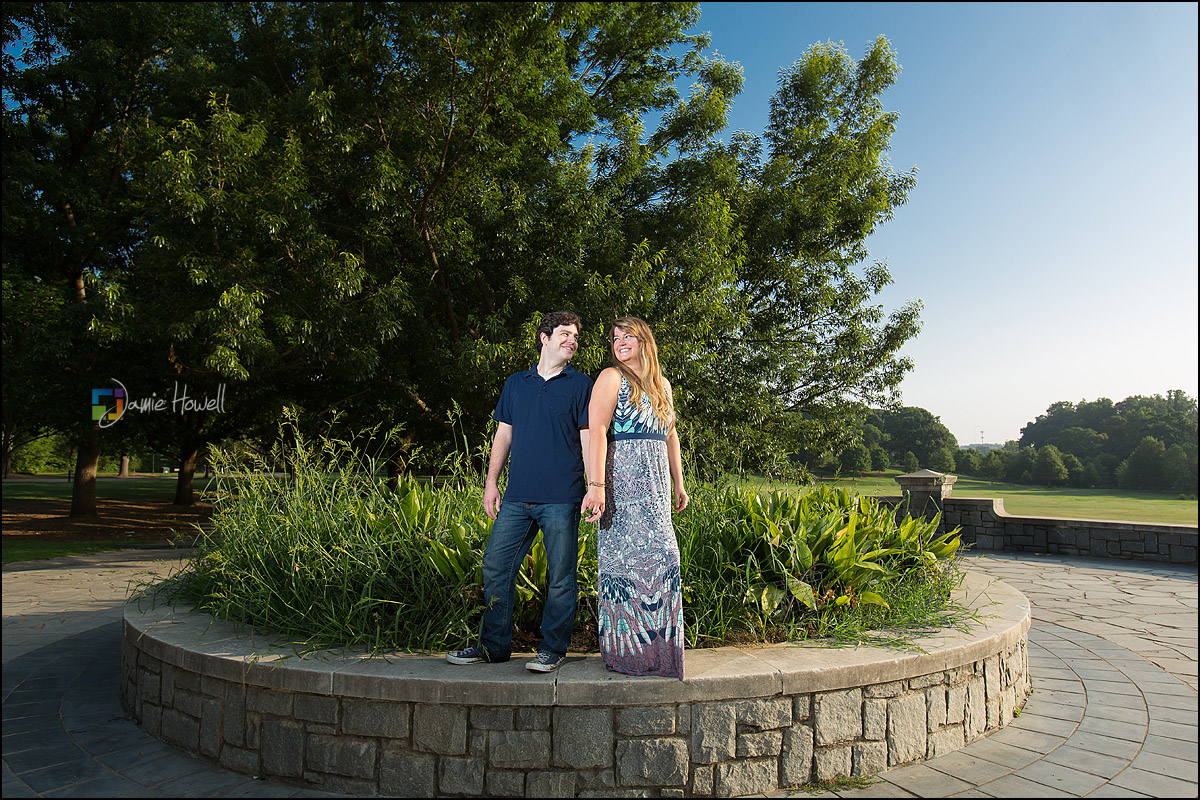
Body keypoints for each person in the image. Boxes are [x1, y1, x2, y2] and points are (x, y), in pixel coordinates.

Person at [446, 311, 593, 673]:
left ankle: (553, 649)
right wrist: (491, 482)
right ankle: (493, 646)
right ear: (544, 338)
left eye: (575, 336)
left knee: (560, 576)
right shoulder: (516, 383)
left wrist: (594, 488)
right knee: (496, 567)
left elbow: (590, 438)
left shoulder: (581, 385)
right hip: (516, 497)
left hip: (562, 497)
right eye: (564, 333)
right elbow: (504, 435)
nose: (572, 340)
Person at [582, 317, 688, 679]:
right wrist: (595, 486)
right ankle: (626, 654)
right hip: (623, 479)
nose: (620, 342)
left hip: (657, 485)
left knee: (664, 556)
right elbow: (596, 430)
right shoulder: (611, 378)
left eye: (628, 335)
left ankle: (660, 651)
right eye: (615, 338)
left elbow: (671, 437)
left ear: (645, 341)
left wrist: (679, 483)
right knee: (623, 565)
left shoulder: (663, 386)